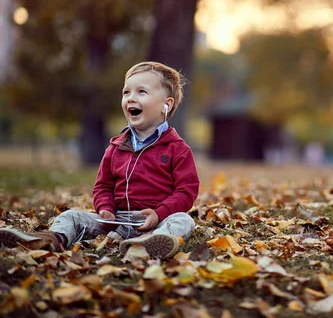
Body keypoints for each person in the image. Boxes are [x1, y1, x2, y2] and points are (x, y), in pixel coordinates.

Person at [0, 62, 200, 259]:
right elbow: (103, 186)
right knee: (71, 216)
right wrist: (105, 208)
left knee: (183, 220)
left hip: (158, 219)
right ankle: (50, 239)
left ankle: (152, 242)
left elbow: (186, 190)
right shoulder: (115, 148)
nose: (131, 98)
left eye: (141, 92)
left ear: (167, 104)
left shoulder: (177, 149)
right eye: (126, 92)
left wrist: (159, 213)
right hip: (118, 219)